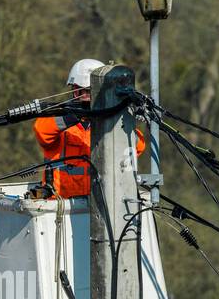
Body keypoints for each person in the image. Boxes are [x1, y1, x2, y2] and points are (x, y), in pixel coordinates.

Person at [32, 58, 146, 198]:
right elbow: (42, 130)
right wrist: (76, 114)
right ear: (74, 91)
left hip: (98, 206)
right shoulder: (62, 123)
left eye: (90, 91)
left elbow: (138, 146)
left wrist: (122, 118)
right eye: (81, 91)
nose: (86, 96)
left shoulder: (108, 127)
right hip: (61, 206)